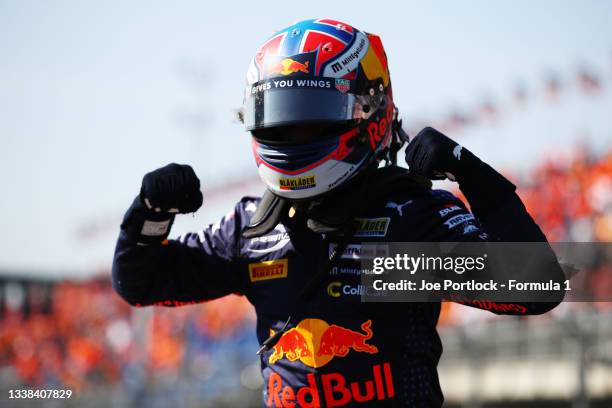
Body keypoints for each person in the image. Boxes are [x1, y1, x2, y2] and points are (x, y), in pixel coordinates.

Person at [113, 19, 564, 407]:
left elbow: (536, 287)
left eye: (312, 117)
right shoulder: (253, 227)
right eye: (282, 116)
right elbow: (140, 282)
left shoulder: (408, 218)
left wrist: (474, 174)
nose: (294, 130)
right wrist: (151, 211)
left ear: (373, 111)